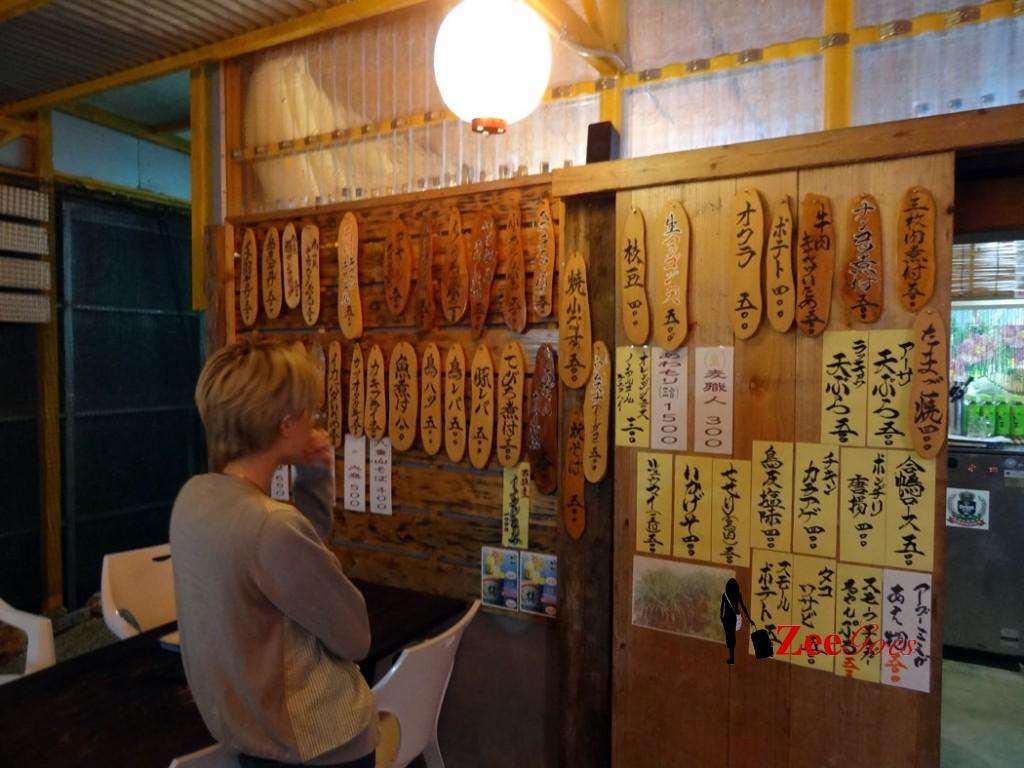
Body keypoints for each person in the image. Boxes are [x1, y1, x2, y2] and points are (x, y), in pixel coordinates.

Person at [171, 337, 378, 767]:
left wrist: (312, 478)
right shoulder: (271, 525)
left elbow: (289, 566)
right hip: (315, 743)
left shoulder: (193, 498)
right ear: (286, 424)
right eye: (309, 411)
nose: (314, 421)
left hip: (246, 728)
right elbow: (356, 637)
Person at [720, 577, 752, 665]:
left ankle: (731, 657)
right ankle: (732, 656)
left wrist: (721, 617)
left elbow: (722, 607)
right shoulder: (737, 594)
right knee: (731, 636)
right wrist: (749, 619)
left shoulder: (725, 595)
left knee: (729, 636)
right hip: (733, 618)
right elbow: (743, 607)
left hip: (726, 618)